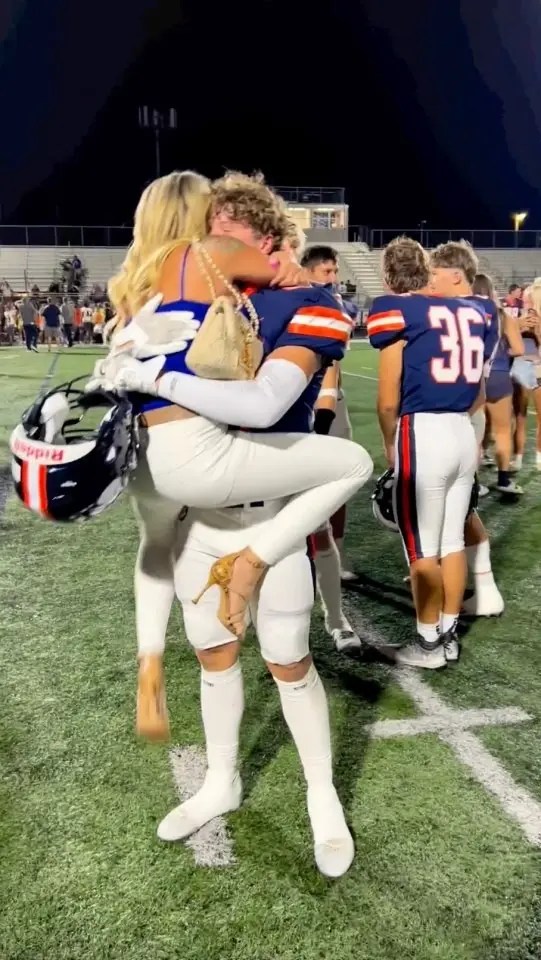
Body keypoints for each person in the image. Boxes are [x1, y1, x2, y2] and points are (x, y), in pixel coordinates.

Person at [108, 172, 364, 878]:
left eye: (226, 235)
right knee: (213, 657)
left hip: (269, 518)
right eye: (205, 232)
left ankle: (320, 796)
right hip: (199, 516)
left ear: (266, 242)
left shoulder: (306, 303)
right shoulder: (192, 295)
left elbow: (267, 400)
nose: (210, 248)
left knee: (287, 659)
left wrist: (151, 375)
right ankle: (222, 780)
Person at [368, 236, 489, 668]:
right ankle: (449, 633)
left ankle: (428, 643)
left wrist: (389, 441)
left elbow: (386, 400)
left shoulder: (396, 311)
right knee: (453, 541)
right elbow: (480, 390)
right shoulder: (471, 311)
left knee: (421, 550)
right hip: (461, 431)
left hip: (422, 431)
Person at [429, 241, 505, 617]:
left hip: (459, 411)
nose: (430, 282)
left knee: (454, 508)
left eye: (435, 274)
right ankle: (479, 584)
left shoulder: (472, 309)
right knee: (456, 506)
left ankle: (465, 599)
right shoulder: (484, 310)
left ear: (456, 275)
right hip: (469, 409)